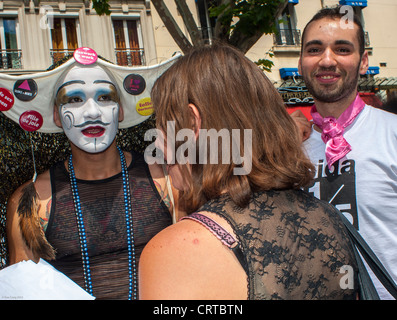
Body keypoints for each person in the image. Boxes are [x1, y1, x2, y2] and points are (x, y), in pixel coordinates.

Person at [138, 43, 359, 300]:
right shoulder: (330, 218)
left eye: (161, 126)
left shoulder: (176, 251)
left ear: (191, 123)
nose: (156, 143)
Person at [5, 54, 181, 299]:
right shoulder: (31, 201)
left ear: (120, 111)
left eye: (104, 97)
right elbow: (21, 289)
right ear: (57, 116)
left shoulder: (169, 179)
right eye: (75, 99)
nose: (92, 112)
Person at [298, 6, 397, 299]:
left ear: (363, 61)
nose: (327, 60)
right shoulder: (285, 148)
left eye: (342, 49)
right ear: (302, 62)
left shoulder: (392, 134)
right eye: (314, 49)